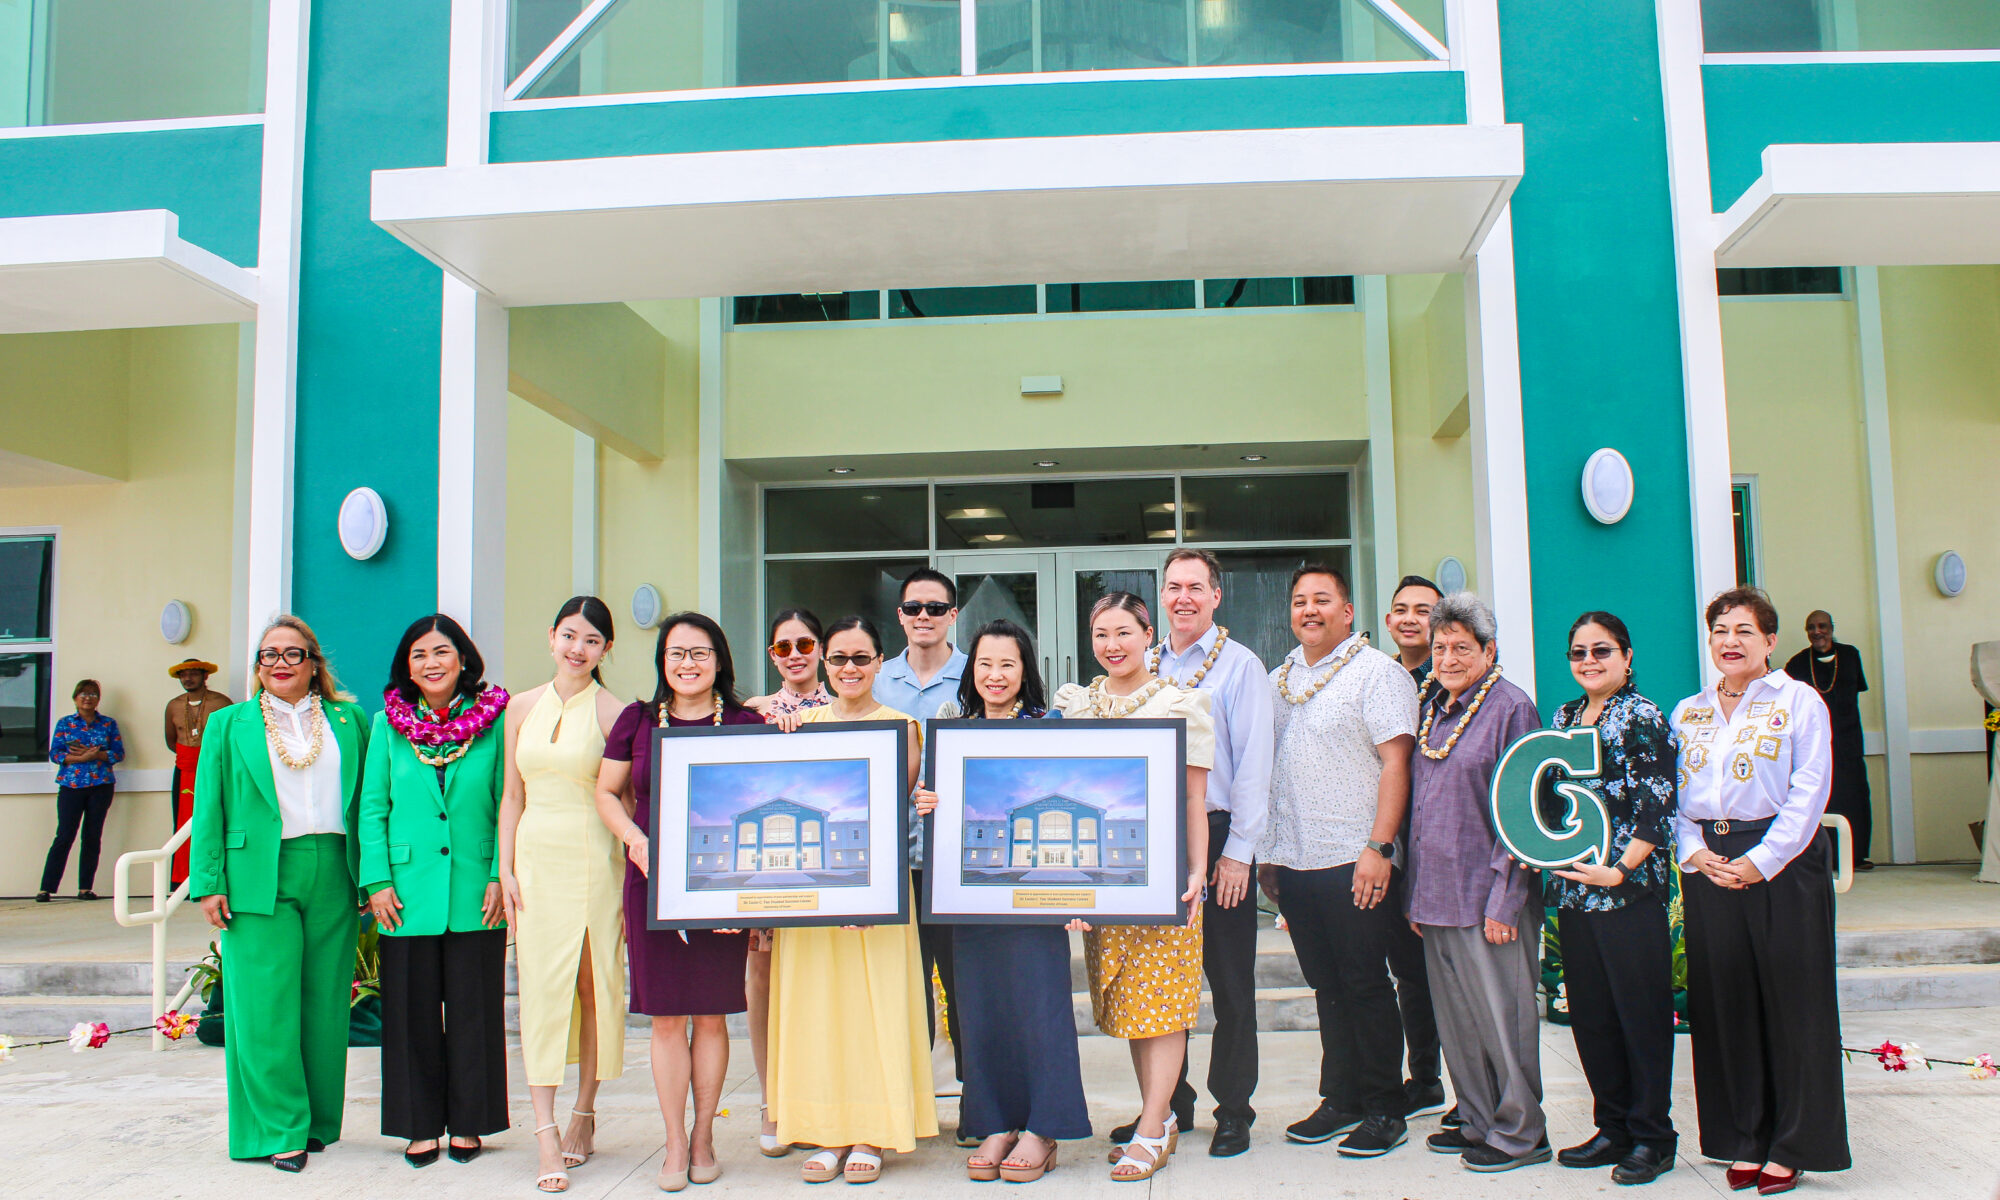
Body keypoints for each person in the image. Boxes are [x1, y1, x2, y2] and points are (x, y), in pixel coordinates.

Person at [1674, 587, 1848, 1194]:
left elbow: (1810, 790)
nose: (1730, 641)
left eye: (1744, 630)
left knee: (1794, 1005)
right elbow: (1673, 799)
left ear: (1770, 641)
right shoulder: (1689, 711)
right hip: (1710, 866)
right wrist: (1694, 853)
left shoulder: (1798, 702)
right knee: (1726, 1005)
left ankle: (1794, 1142)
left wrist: (1762, 860)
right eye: (1720, 629)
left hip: (1783, 863)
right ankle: (1741, 1136)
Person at [190, 616, 368, 1170]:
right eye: (269, 655)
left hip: (334, 867)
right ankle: (279, 1127)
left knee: (324, 1004)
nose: (281, 663)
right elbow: (208, 806)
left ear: (314, 663)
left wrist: (373, 873)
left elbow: (369, 799)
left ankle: (316, 1122)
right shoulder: (229, 724)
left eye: (294, 653)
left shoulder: (349, 719)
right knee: (264, 1007)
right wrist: (208, 882)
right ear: (258, 667)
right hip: (257, 872)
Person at [596, 612, 763, 1192]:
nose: (687, 663)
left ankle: (704, 1139)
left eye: (699, 652)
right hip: (651, 880)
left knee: (712, 1014)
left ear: (719, 659)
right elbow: (606, 792)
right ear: (662, 660)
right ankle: (672, 1141)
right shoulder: (636, 720)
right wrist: (634, 839)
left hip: (724, 885)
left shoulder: (747, 721)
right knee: (666, 1018)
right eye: (675, 652)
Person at [767, 615, 936, 1184]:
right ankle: (825, 1130)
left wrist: (866, 896)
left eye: (861, 658)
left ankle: (870, 1131)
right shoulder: (799, 726)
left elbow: (887, 813)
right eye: (836, 658)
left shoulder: (903, 727)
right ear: (822, 662)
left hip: (874, 895)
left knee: (872, 1009)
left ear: (878, 663)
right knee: (817, 1011)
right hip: (812, 901)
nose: (848, 669)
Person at [1256, 566, 1418, 1158]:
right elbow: (1272, 773)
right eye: (1300, 601)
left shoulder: (1378, 675)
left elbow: (1397, 766)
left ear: (1347, 612)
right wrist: (1269, 858)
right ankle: (1341, 1096)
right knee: (1327, 986)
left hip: (1357, 859)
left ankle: (1383, 1107)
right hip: (1296, 863)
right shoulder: (1280, 680)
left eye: (1322, 600)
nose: (1309, 610)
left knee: (1366, 984)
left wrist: (1380, 849)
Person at [918, 619, 1088, 1183]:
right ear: (971, 670)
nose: (995, 675)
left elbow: (1077, 788)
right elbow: (933, 806)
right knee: (981, 1009)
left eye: (1007, 665)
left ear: (1025, 671)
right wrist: (926, 800)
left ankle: (1044, 1127)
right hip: (969, 898)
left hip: (1034, 898)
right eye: (985, 664)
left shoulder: (1049, 727)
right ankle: (995, 1121)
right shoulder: (952, 731)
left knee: (1039, 1009)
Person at [1053, 592, 1212, 1181]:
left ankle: (1152, 1124)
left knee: (1164, 1004)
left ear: (1149, 635)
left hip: (1164, 875)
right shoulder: (1075, 705)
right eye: (1100, 635)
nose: (1112, 645)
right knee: (1127, 1001)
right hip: (1101, 879)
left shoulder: (1182, 702)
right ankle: (1160, 1117)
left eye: (1124, 632)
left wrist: (1196, 870)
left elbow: (1195, 795)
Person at [358, 614, 511, 1168]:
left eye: (442, 651)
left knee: (475, 1013)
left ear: (463, 658)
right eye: (419, 654)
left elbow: (505, 806)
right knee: (408, 1015)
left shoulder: (495, 723)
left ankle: (470, 1122)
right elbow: (372, 809)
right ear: (407, 666)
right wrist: (376, 881)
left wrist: (499, 872)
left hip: (477, 889)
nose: (432, 663)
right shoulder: (386, 726)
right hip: (404, 893)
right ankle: (419, 1125)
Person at [1405, 591, 1548, 1172]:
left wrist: (1506, 900)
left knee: (1502, 1019)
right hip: (1435, 895)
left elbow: (1526, 814)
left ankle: (1521, 1133)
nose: (1449, 657)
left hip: (1488, 897)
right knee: (1460, 1024)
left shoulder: (1513, 708)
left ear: (1489, 650)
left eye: (1462, 647)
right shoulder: (1432, 707)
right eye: (1440, 647)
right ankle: (1477, 1119)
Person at [1140, 547, 1271, 1158]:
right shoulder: (1141, 660)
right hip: (1152, 838)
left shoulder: (1240, 666)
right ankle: (1169, 1104)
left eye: (1196, 586)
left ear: (1216, 596)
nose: (1183, 597)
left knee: (1229, 979)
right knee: (1163, 979)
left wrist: (1238, 852)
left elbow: (1252, 766)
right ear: (1161, 595)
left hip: (1217, 835)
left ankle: (1234, 1109)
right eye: (1173, 586)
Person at [500, 596, 630, 1194]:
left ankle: (584, 1110)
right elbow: (511, 796)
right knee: (541, 990)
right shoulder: (519, 707)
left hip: (594, 864)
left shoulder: (615, 711)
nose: (578, 649)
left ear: (605, 650)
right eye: (569, 636)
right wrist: (504, 871)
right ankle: (545, 1131)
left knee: (592, 985)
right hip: (534, 864)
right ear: (551, 636)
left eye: (592, 640)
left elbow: (624, 803)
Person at [1546, 612, 1679, 1186]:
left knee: (1640, 1017)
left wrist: (1620, 871)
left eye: (1602, 651)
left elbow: (1658, 805)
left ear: (1627, 656)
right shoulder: (1566, 716)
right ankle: (1613, 1127)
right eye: (1579, 653)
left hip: (1628, 893)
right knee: (1594, 1017)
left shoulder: (1642, 716)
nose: (1589, 662)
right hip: (1577, 894)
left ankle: (1653, 1137)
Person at [871, 567, 969, 1092]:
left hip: (954, 860)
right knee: (904, 986)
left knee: (960, 984)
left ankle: (974, 1098)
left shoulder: (979, 675)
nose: (924, 617)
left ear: (952, 615)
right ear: (900, 615)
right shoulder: (876, 678)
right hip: (892, 859)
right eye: (914, 608)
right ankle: (908, 1099)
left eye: (935, 608)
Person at [740, 606, 830, 1156]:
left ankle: (819, 1101)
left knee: (819, 986)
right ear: (771, 654)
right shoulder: (752, 712)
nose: (794, 656)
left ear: (820, 648)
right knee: (763, 982)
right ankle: (774, 1101)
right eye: (783, 647)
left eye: (804, 645)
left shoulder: (845, 705)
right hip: (768, 867)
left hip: (824, 869)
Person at [1383, 574, 1448, 1124]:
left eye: (1422, 610)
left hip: (1436, 846)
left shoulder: (1450, 680)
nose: (1410, 619)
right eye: (1401, 609)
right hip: (1384, 843)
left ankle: (1445, 1079)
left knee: (1438, 971)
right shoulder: (1380, 678)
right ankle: (1422, 1078)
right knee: (1406, 970)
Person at [1783, 611, 1872, 869]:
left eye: (1822, 626)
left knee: (1854, 796)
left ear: (1832, 628)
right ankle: (1823, 857)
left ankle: (1856, 856)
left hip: (1848, 742)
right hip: (1814, 744)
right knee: (1820, 797)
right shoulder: (1798, 663)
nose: (1817, 632)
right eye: (1811, 627)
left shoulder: (1850, 655)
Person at [39, 679, 126, 902]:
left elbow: (118, 753)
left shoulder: (108, 724)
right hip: (71, 786)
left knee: (92, 836)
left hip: (101, 786)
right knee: (65, 835)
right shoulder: (66, 723)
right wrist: (79, 757)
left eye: (93, 694)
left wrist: (95, 755)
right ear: (75, 697)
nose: (88, 698)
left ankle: (85, 887)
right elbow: (55, 754)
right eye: (83, 694)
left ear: (99, 699)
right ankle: (46, 888)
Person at [164, 658, 230, 887]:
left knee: (213, 820)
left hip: (213, 770)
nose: (188, 678)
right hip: (184, 769)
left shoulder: (221, 703)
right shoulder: (173, 705)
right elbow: (171, 740)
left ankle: (213, 877)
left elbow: (229, 738)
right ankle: (180, 880)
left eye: (193, 674)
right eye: (183, 675)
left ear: (205, 676)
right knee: (181, 823)